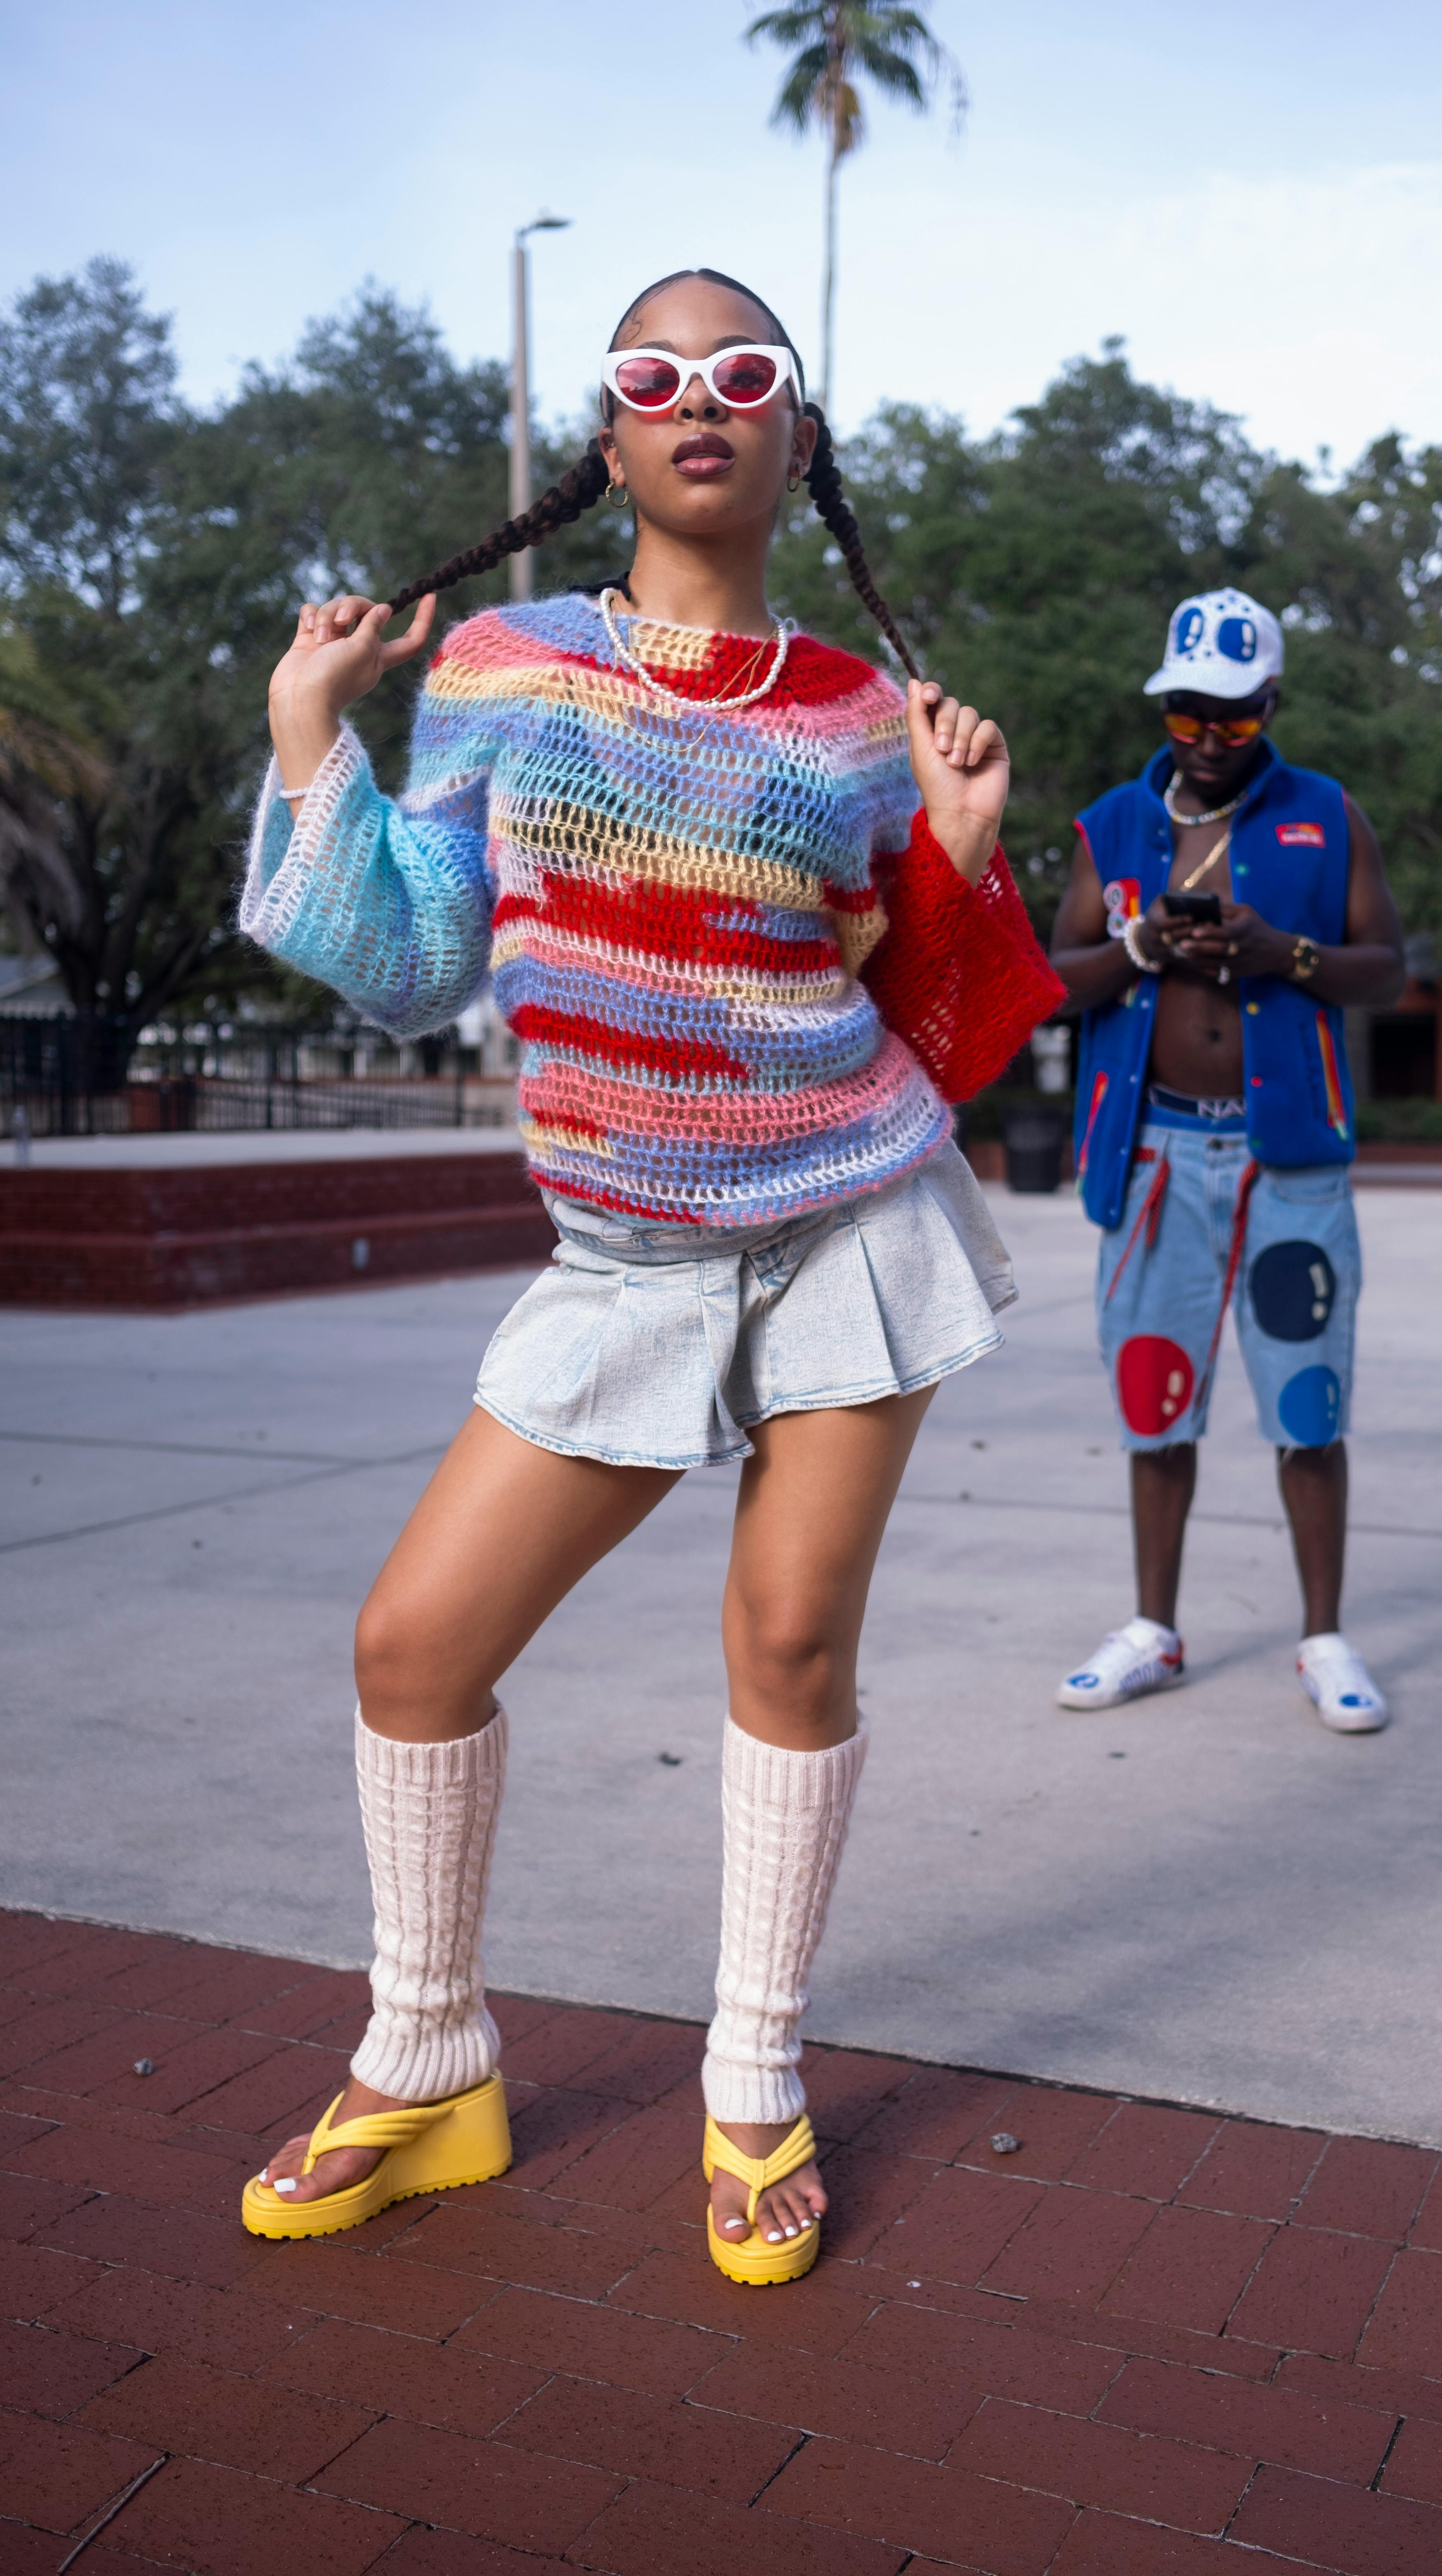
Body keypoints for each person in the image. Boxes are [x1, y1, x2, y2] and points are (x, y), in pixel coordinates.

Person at [238, 268, 1061, 2283]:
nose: (699, 399)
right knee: (414, 1648)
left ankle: (753, 2073)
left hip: (848, 1223)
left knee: (786, 1648)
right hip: (620, 1257)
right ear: (608, 443)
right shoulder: (507, 668)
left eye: (744, 374)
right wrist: (303, 727)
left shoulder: (866, 723)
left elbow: (925, 1023)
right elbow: (424, 946)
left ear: (796, 436)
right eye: (651, 376)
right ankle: (429, 2054)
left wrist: (958, 847)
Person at [1048, 588, 1405, 1731]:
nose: (1210, 740)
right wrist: (1142, 944)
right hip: (1151, 1151)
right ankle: (1155, 1628)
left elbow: (1386, 969)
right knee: (1156, 1400)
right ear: (1167, 704)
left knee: (1310, 1404)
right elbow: (1053, 982)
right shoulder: (1110, 824)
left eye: (1238, 720)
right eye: (1189, 715)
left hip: (1287, 1157)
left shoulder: (1325, 813)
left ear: (1272, 707)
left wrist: (1280, 951)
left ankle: (1324, 1637)